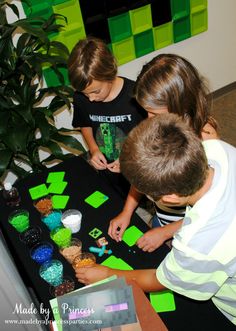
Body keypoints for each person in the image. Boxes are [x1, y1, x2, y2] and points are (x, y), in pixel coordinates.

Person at [75, 114, 236, 326]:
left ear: (170, 197)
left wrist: (107, 274)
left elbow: (160, 280)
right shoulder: (216, 148)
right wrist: (168, 230)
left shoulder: (198, 244)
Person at [108, 53, 219, 252]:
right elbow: (143, 174)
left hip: (190, 229)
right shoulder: (158, 125)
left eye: (154, 113)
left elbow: (212, 210)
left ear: (182, 104)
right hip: (163, 217)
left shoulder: (207, 140)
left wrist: (166, 232)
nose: (148, 120)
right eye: (145, 111)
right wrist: (126, 211)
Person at [68, 36, 146, 198]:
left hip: (138, 168)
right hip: (108, 171)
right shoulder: (82, 97)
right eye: (85, 94)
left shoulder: (136, 96)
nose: (90, 99)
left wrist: (130, 159)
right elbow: (85, 124)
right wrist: (94, 149)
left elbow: (151, 135)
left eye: (96, 92)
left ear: (110, 74)